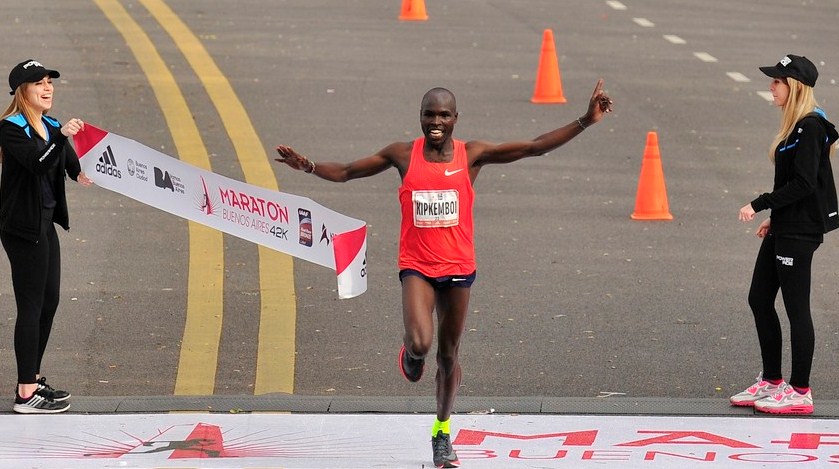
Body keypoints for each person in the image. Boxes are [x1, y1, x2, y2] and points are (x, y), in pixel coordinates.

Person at [276, 79, 613, 467]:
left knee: (449, 357)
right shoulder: (402, 155)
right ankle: (412, 354)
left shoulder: (472, 155)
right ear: (420, 117)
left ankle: (441, 431)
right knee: (422, 344)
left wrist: (587, 120)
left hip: (457, 268)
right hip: (417, 266)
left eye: (444, 115)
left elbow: (534, 147)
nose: (436, 122)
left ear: (455, 119)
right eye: (429, 114)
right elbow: (350, 171)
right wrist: (309, 166)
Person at [731, 54, 838, 415]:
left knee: (796, 309)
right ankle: (773, 380)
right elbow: (793, 183)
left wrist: (759, 203)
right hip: (786, 226)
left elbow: (805, 184)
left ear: (794, 86)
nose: (771, 87)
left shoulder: (810, 127)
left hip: (801, 232)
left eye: (777, 81)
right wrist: (775, 218)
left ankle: (800, 391)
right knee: (759, 299)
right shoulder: (797, 126)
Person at [0, 59, 93, 414]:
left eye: (49, 82)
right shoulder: (10, 128)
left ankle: (34, 379)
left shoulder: (51, 124)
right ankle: (25, 393)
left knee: (49, 301)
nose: (48, 87)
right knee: (31, 305)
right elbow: (37, 162)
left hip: (45, 222)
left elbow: (70, 167)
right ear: (22, 91)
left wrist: (93, 170)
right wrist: (60, 137)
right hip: (22, 226)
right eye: (39, 83)